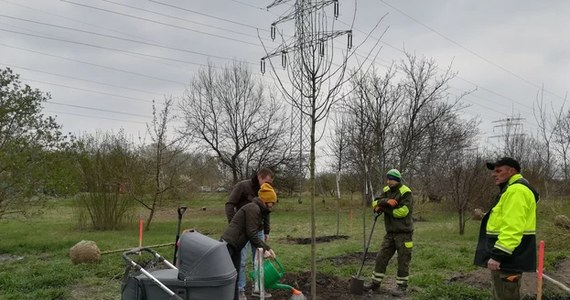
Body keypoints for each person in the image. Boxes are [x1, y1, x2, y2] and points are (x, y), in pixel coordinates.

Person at [474, 157, 539, 300]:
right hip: (509, 259)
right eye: (493, 171)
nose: (493, 174)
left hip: (508, 260)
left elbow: (513, 228)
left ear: (511, 171)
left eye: (498, 171)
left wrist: (498, 255)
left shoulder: (516, 191)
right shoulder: (512, 190)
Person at [221, 183, 277, 300]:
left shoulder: (258, 210)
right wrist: (266, 249)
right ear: (266, 200)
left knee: (235, 277)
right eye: (272, 202)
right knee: (225, 277)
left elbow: (252, 234)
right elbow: (252, 233)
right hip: (229, 244)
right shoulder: (253, 208)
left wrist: (267, 248)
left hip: (236, 246)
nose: (273, 205)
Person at [365, 169, 414, 294]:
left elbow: (402, 212)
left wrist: (384, 209)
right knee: (381, 257)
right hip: (390, 233)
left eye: (391, 179)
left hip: (404, 233)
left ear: (397, 180)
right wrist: (386, 202)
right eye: (387, 179)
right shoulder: (386, 190)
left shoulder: (406, 192)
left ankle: (402, 287)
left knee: (403, 260)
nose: (388, 182)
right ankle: (375, 284)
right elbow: (375, 202)